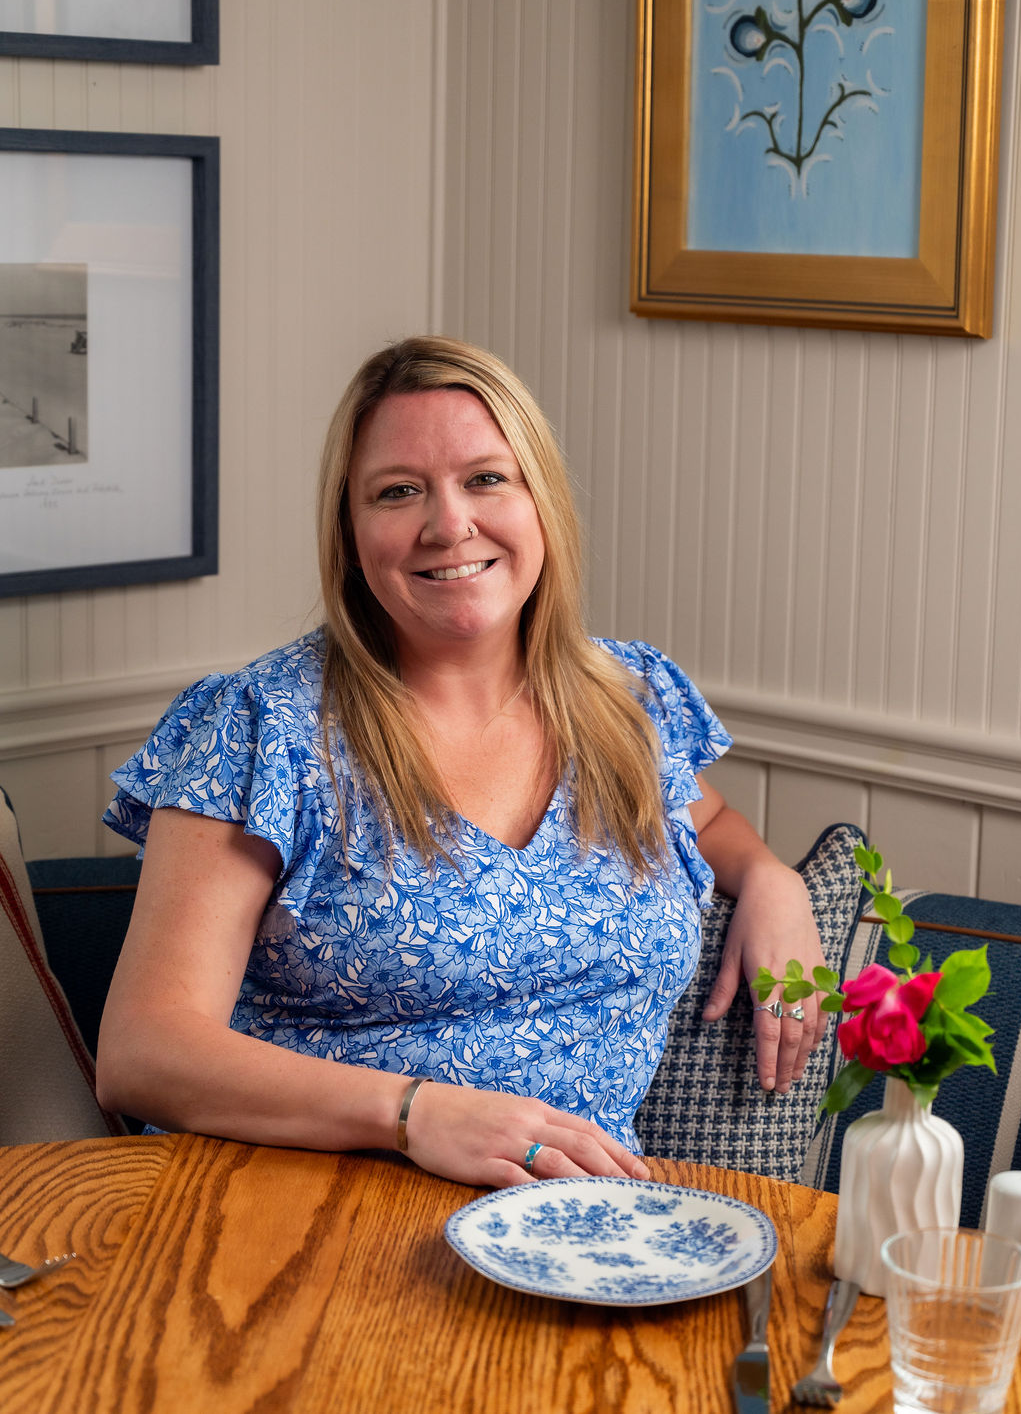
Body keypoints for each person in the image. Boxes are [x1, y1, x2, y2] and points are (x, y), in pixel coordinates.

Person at [96, 335, 825, 1190]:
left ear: (540, 501)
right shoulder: (264, 726)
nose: (449, 525)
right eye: (398, 491)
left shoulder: (630, 702)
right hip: (288, 1215)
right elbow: (144, 1052)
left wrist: (774, 880)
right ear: (351, 531)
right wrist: (412, 1112)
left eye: (486, 478)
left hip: (570, 1239)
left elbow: (708, 821)